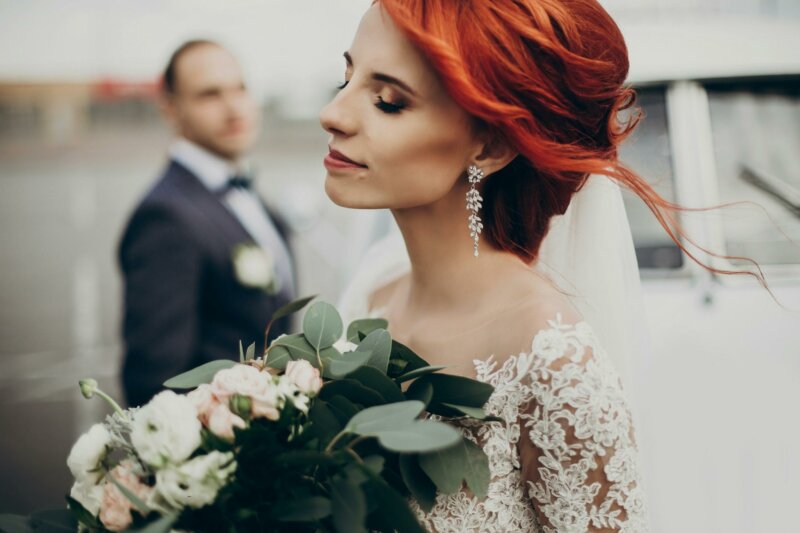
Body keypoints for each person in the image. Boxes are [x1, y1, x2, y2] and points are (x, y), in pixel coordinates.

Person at [319, 1, 670, 530]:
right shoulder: (369, 300)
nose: (335, 114)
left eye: (387, 101)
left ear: (492, 144)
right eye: (346, 78)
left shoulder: (554, 364)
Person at [118, 40, 295, 407]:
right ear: (170, 108)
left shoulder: (245, 192)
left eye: (240, 88)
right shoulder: (166, 218)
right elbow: (154, 382)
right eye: (209, 95)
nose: (234, 108)